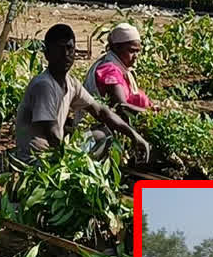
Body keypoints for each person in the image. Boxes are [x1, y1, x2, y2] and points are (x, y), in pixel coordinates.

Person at [14, 24, 150, 163]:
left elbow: (101, 111)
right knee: (95, 142)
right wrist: (69, 163)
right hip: (38, 160)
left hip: (55, 152)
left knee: (101, 135)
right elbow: (52, 134)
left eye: (69, 48)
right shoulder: (44, 85)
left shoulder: (70, 83)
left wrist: (134, 135)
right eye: (59, 49)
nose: (66, 54)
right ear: (47, 54)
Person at [78, 23, 153, 125]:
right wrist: (150, 114)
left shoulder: (117, 66)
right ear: (117, 47)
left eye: (137, 51)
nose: (136, 56)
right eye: (131, 51)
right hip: (94, 127)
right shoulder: (109, 70)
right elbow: (121, 106)